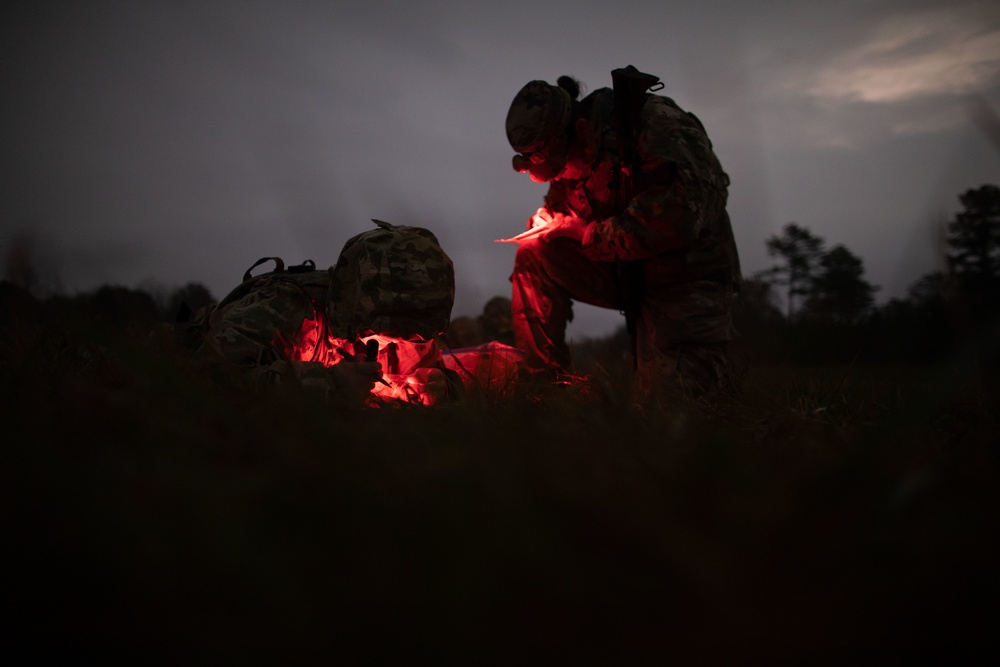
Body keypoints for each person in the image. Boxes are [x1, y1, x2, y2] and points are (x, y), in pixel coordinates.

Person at [504, 68, 742, 393]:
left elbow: (683, 218)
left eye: (560, 171)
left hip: (686, 277)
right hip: (626, 270)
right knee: (534, 254)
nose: (561, 181)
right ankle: (543, 389)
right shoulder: (572, 154)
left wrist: (583, 232)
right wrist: (552, 221)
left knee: (677, 409)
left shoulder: (655, 124)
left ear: (582, 131)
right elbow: (567, 207)